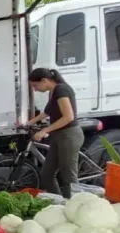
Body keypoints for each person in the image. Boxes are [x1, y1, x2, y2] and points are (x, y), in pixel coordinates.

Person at [25, 68, 83, 198]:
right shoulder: (53, 92)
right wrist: (28, 123)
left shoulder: (61, 90)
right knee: (47, 173)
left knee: (68, 176)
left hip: (69, 135)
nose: (35, 89)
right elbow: (47, 112)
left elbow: (68, 117)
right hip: (58, 135)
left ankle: (75, 203)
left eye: (35, 86)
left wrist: (45, 130)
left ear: (44, 81)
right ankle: (59, 202)